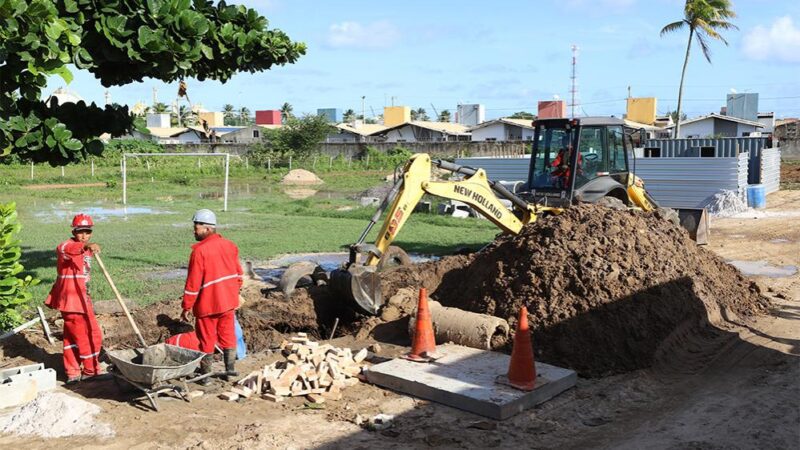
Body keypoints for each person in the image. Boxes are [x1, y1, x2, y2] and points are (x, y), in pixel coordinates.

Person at [180, 209, 243, 384]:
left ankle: (206, 377)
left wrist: (186, 306)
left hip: (207, 305)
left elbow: (193, 284)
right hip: (228, 303)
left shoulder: (199, 252)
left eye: (196, 227)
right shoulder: (230, 246)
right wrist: (232, 293)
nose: (193, 231)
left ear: (207, 229)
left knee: (206, 339)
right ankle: (230, 372)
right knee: (227, 335)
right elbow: (239, 276)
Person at [45, 214, 103, 384]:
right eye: (80, 232)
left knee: (72, 337)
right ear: (74, 231)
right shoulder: (67, 247)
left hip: (82, 299)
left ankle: (72, 371)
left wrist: (87, 248)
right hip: (71, 301)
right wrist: (85, 246)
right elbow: (63, 248)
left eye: (87, 232)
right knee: (87, 335)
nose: (84, 235)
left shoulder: (86, 250)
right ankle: (91, 370)